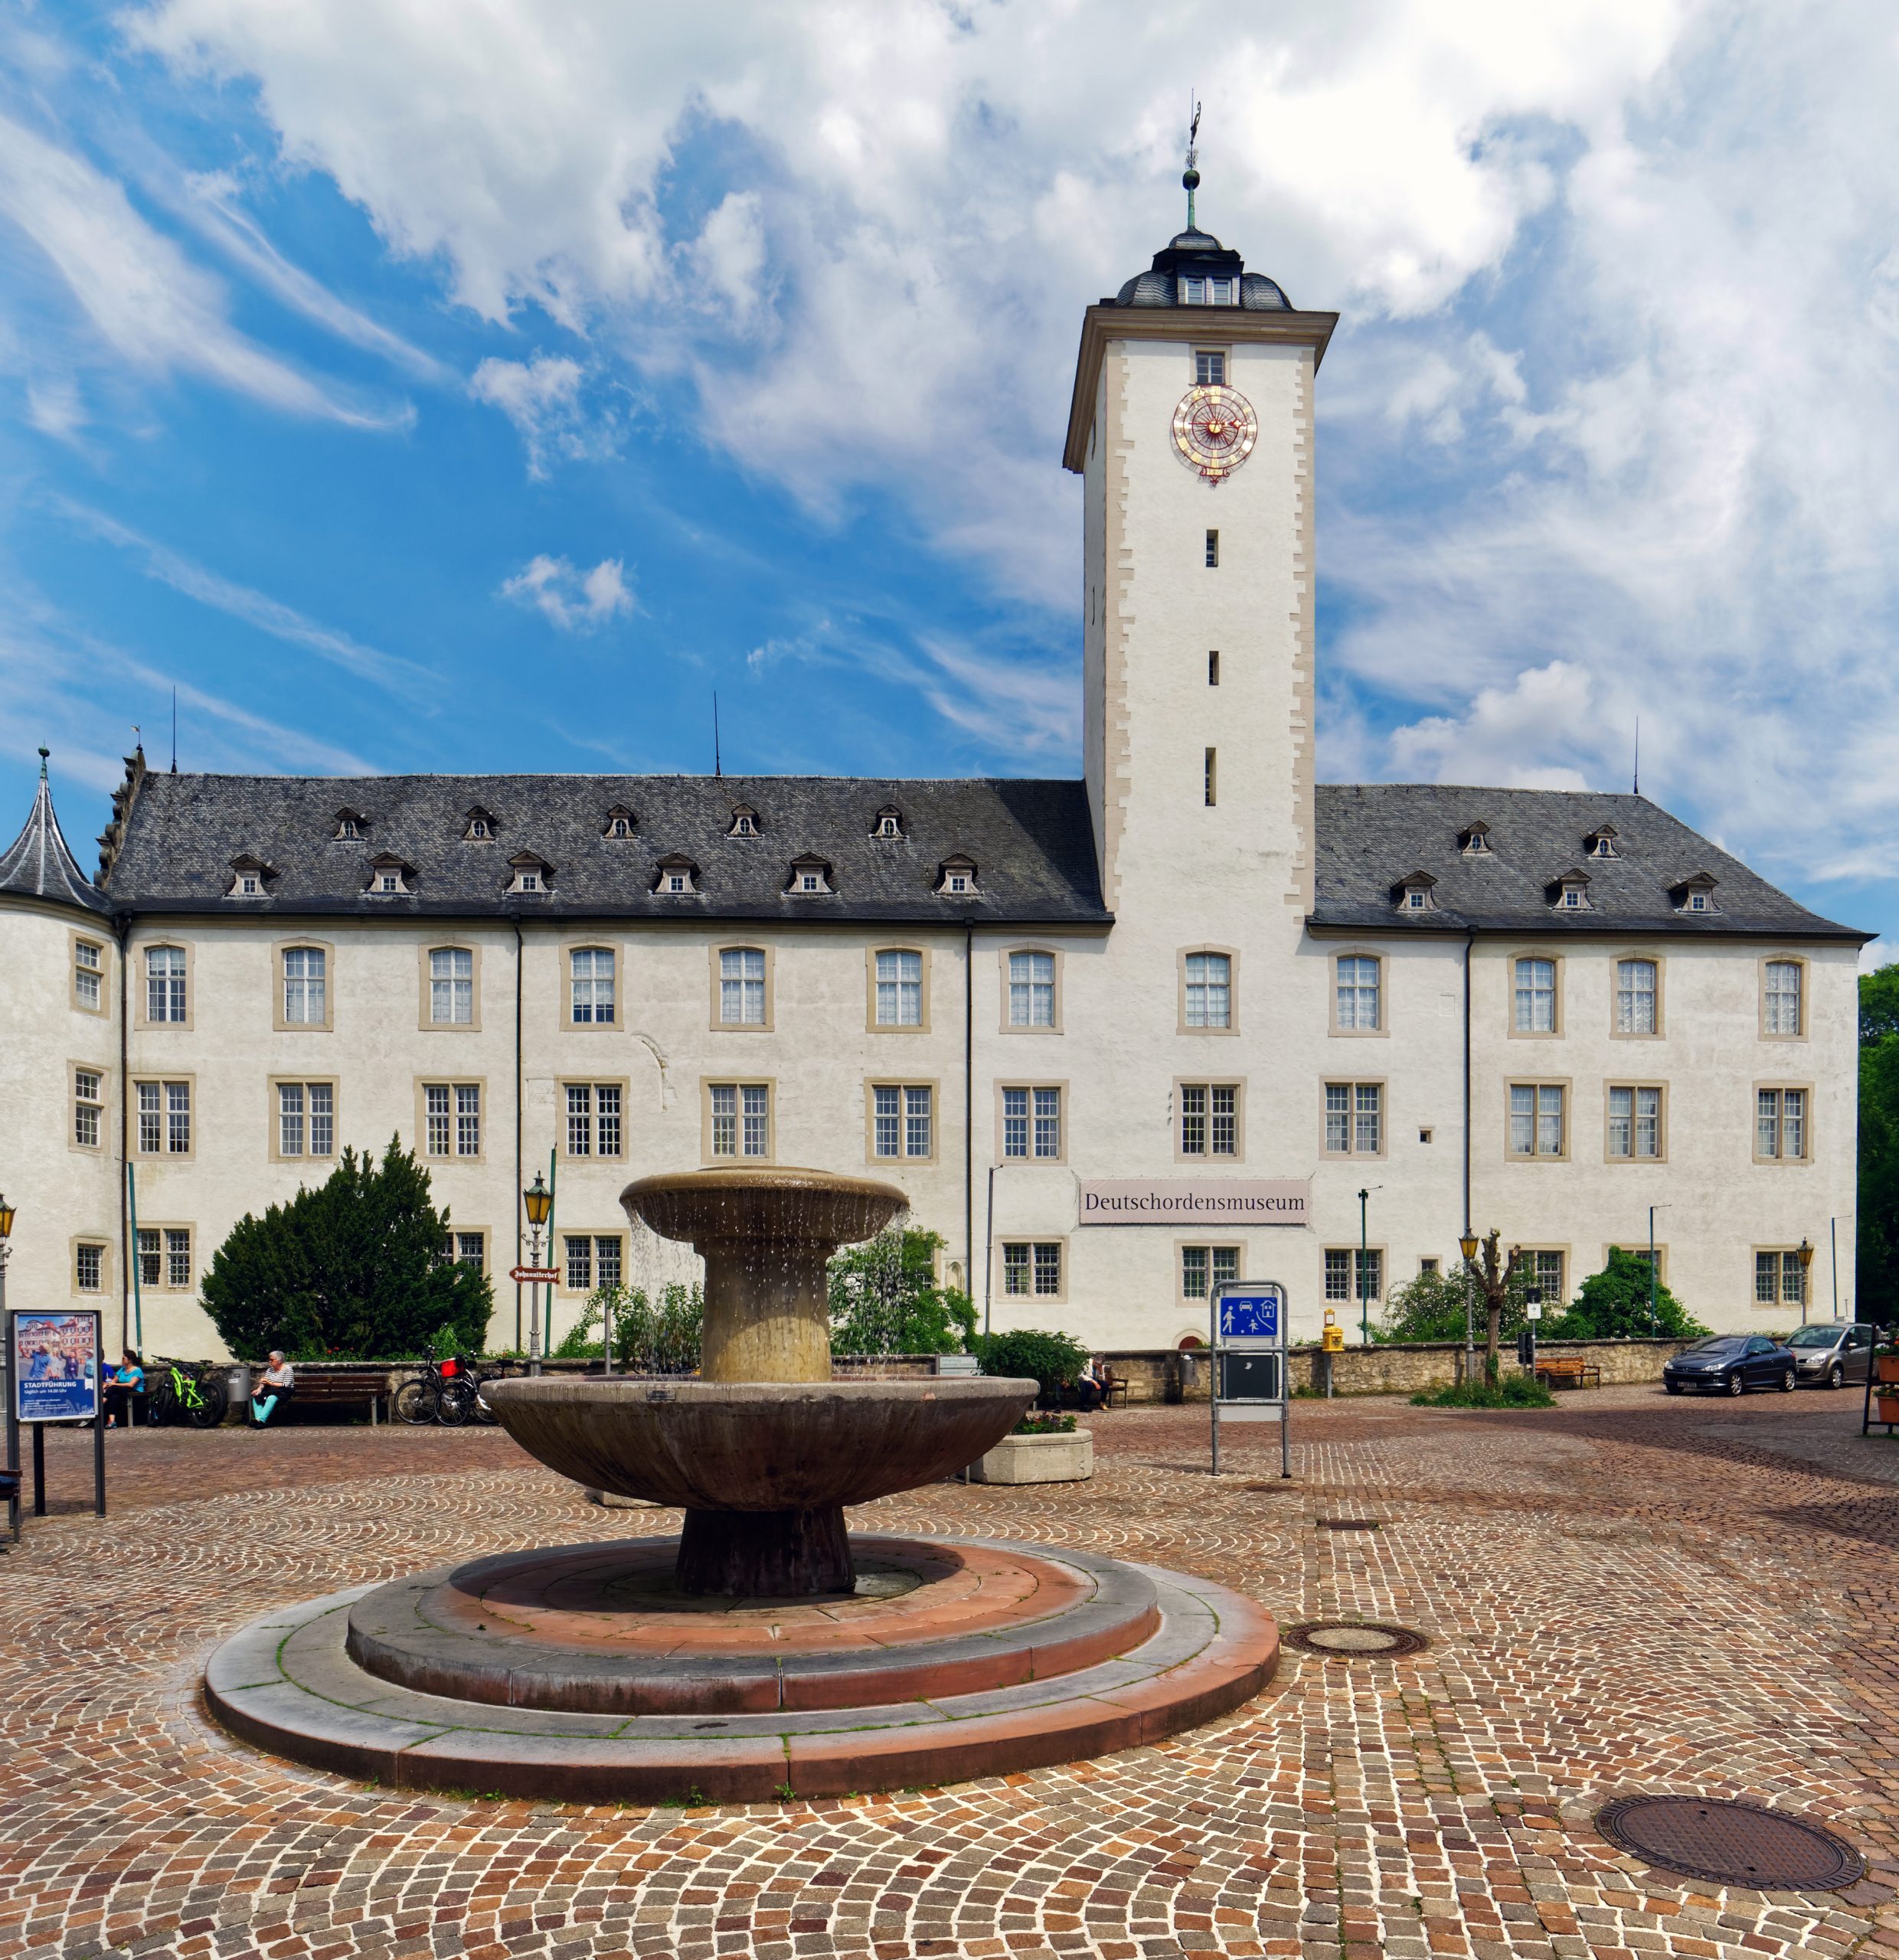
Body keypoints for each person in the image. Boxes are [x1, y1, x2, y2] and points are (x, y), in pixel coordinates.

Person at [250, 1352, 296, 1427]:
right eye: (269, 1360)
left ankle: (261, 1420)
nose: (270, 1362)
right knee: (256, 1397)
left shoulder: (288, 1369)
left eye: (272, 1360)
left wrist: (270, 1383)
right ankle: (259, 1421)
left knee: (271, 1398)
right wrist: (258, 1390)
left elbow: (286, 1384)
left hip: (283, 1392)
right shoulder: (269, 1370)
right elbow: (264, 1383)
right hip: (270, 1391)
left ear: (279, 1360)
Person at [103, 1351, 145, 1428]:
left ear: (130, 1360)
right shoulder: (122, 1369)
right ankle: (112, 1421)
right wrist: (107, 1384)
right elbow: (114, 1380)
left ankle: (102, 1402)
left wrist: (114, 1385)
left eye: (123, 1358)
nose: (122, 1360)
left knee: (113, 1388)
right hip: (123, 1391)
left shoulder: (137, 1370)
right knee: (114, 1397)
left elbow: (131, 1384)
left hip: (135, 1393)